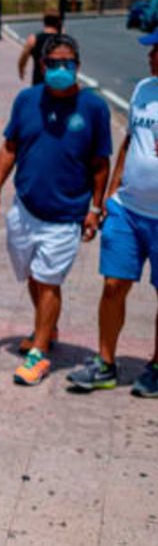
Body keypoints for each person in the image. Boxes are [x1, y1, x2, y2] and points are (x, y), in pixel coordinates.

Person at [0, 34, 112, 386]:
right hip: (25, 208)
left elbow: (101, 163)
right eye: (53, 63)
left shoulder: (94, 107)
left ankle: (38, 353)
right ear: (42, 66)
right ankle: (47, 327)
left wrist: (95, 209)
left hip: (67, 213)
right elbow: (10, 146)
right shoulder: (26, 100)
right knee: (33, 275)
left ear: (77, 66)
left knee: (49, 280)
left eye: (67, 63)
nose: (60, 69)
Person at [67, 31, 158, 397]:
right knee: (113, 285)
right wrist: (108, 194)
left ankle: (156, 366)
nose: (151, 55)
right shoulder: (143, 90)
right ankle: (105, 363)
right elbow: (129, 142)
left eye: (157, 49)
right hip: (128, 208)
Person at [18, 11, 62, 86]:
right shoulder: (62, 40)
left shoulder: (33, 39)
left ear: (44, 22)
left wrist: (21, 69)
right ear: (58, 23)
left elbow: (23, 57)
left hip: (39, 80)